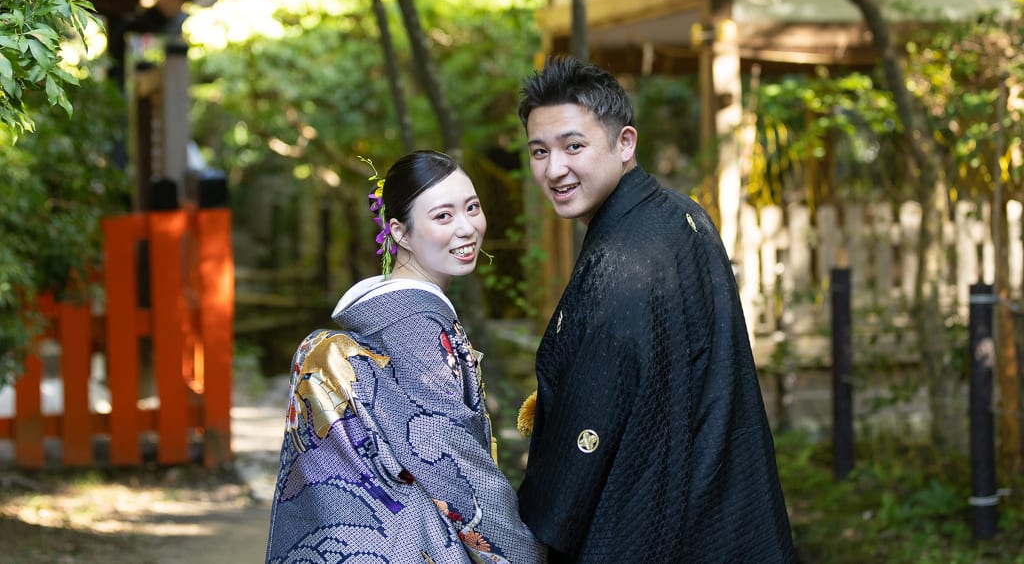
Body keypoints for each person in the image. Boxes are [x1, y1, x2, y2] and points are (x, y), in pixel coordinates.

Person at [515, 57, 796, 562]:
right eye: (540, 151)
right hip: (723, 510)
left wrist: (533, 524)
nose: (554, 169)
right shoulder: (681, 214)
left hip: (660, 528)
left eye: (573, 146)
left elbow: (592, 423)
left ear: (625, 143)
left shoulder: (623, 260)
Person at [266, 150, 546, 564]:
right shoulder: (414, 326)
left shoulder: (397, 318)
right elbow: (454, 467)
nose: (467, 228)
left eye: (472, 207)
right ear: (399, 233)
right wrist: (525, 554)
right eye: (443, 217)